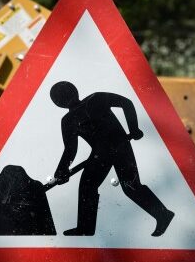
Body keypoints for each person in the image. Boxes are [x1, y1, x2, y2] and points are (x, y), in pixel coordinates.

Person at [50, 80, 175, 237]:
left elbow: (126, 103)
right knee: (87, 188)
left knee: (131, 187)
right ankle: (85, 228)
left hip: (120, 146)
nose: (65, 99)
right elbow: (70, 149)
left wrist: (133, 128)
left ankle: (163, 214)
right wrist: (61, 170)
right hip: (99, 154)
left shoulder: (95, 99)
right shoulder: (68, 120)